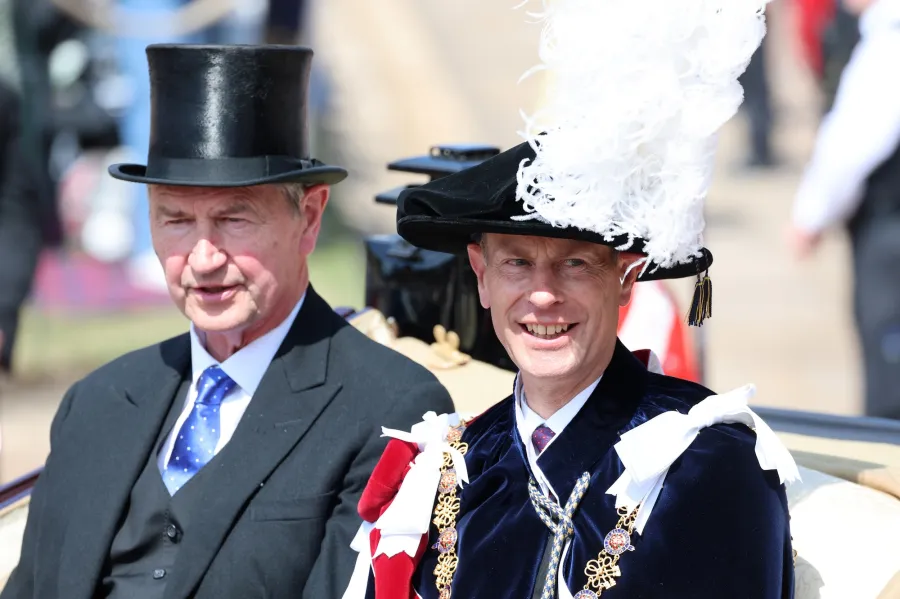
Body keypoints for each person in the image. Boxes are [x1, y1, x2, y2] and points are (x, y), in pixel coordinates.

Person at [341, 1, 800, 597]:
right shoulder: (451, 464)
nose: (542, 294)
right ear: (480, 275)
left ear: (626, 279)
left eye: (575, 264)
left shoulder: (707, 460)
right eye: (516, 263)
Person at [1, 44, 454, 599]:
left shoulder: (388, 408)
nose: (204, 256)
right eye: (175, 220)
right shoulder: (98, 401)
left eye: (233, 219)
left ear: (308, 218)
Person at [788, 0, 900, 419]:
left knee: (891, 378)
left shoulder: (889, 37)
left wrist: (810, 215)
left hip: (889, 230)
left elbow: (854, 144)